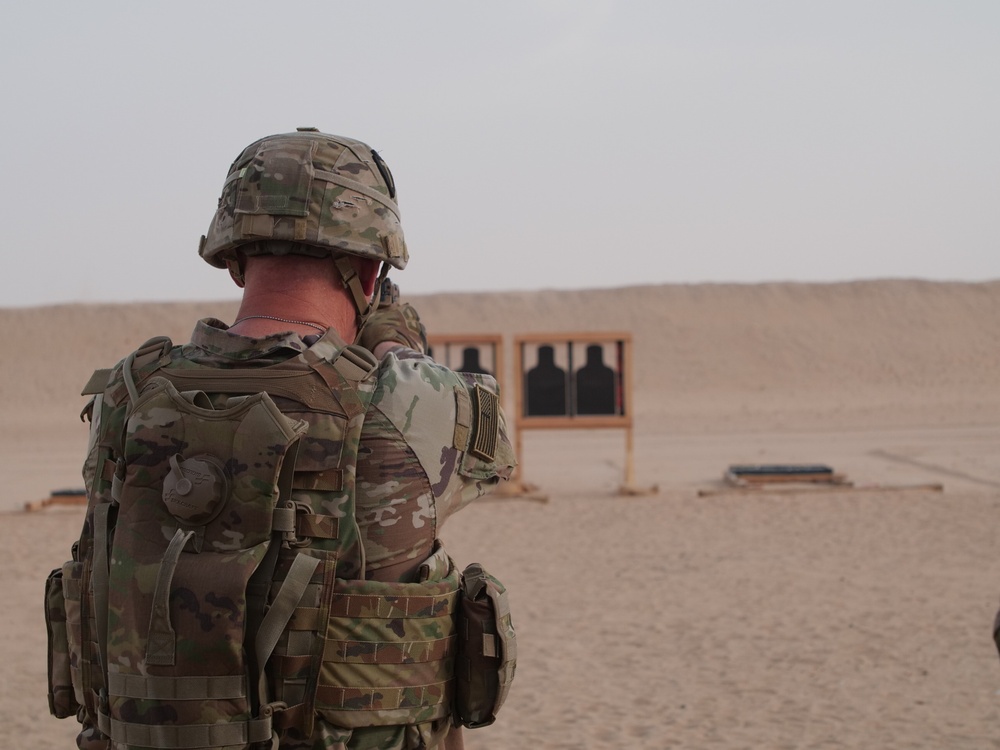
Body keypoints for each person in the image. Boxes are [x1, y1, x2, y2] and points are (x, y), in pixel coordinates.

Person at [58, 128, 516, 750]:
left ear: (237, 257)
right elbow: (478, 444)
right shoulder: (410, 399)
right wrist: (392, 336)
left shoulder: (126, 395)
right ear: (370, 268)